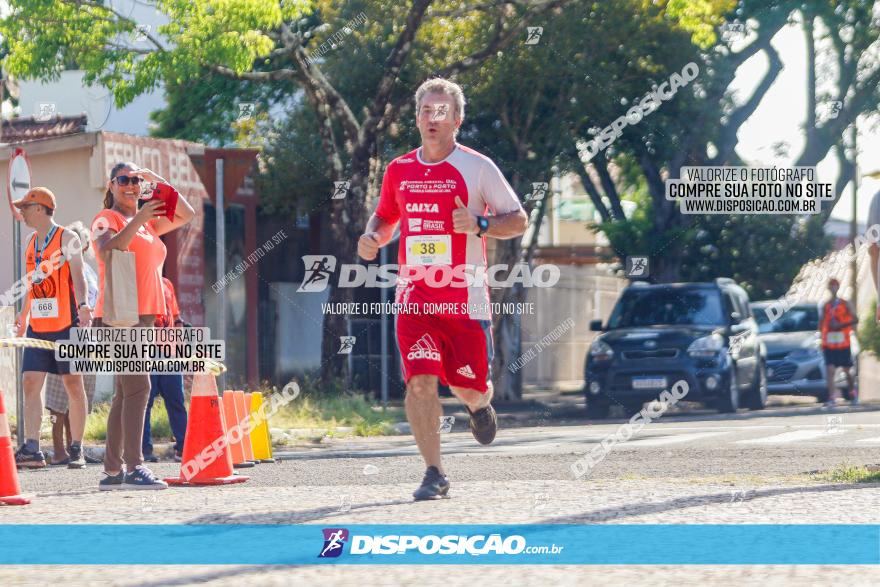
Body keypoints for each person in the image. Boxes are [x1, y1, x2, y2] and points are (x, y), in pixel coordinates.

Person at [357, 78, 528, 500]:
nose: (432, 119)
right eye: (425, 111)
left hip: (464, 297)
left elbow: (518, 219)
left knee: (467, 385)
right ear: (417, 118)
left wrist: (481, 224)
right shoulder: (398, 170)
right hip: (414, 296)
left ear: (457, 119)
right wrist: (372, 237)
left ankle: (479, 405)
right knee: (420, 382)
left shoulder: (478, 167)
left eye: (441, 112)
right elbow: (384, 218)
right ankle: (434, 472)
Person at [91, 162, 194, 490]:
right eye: (124, 180)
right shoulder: (106, 219)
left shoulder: (148, 225)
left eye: (136, 180)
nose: (131, 185)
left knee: (125, 393)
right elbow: (107, 251)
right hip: (121, 316)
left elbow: (187, 214)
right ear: (111, 185)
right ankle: (134, 466)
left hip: (144, 317)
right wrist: (139, 218)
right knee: (139, 389)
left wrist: (158, 180)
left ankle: (111, 471)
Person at [12, 187, 92, 470]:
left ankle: (77, 448)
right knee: (30, 382)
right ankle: (33, 448)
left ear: (40, 208)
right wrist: (23, 316)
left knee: (73, 384)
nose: (21, 212)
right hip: (39, 327)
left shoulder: (67, 238)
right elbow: (31, 284)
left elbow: (79, 276)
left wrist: (83, 305)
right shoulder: (32, 242)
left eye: (25, 207)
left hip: (67, 324)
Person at [43, 221, 100, 465]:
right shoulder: (60, 268)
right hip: (63, 333)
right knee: (58, 398)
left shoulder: (89, 271)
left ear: (85, 244)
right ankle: (58, 450)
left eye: (78, 239)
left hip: (86, 338)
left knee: (80, 393)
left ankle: (75, 447)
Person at [143, 277, 188, 463]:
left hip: (170, 353)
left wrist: (180, 340)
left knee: (177, 400)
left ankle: (184, 447)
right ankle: (144, 450)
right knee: (145, 403)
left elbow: (176, 317)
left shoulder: (167, 283)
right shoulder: (141, 282)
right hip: (147, 351)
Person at [820, 278, 858, 407]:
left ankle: (852, 391)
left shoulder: (845, 303)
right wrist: (821, 337)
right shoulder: (826, 305)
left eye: (835, 285)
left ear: (838, 287)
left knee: (847, 370)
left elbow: (855, 319)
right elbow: (822, 323)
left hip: (843, 342)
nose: (833, 288)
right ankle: (832, 397)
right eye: (831, 285)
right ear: (828, 288)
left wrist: (840, 325)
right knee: (830, 369)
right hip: (829, 343)